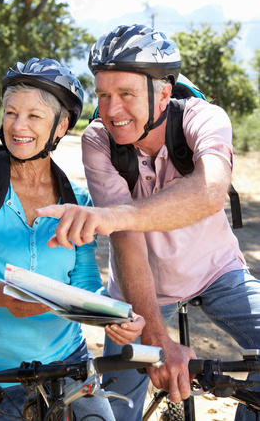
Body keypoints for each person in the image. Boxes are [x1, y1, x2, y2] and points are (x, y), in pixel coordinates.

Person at [35, 25, 260, 421]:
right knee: (115, 411)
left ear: (163, 94)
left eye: (126, 94)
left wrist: (112, 216)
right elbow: (127, 240)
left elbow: (209, 192)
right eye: (103, 95)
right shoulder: (98, 140)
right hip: (141, 285)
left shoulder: (204, 118)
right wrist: (156, 338)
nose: (112, 109)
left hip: (216, 269)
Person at [0, 57, 145, 421]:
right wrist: (1, 295)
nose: (18, 126)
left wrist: (111, 315)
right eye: (11, 112)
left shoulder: (76, 200)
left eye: (34, 116)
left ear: (60, 126)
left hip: (67, 364)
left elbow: (84, 281)